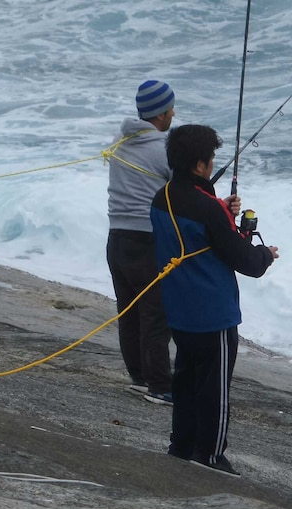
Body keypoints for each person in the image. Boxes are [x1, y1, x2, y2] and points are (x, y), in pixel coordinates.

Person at [150, 124, 279, 477]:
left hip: (178, 308)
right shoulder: (208, 209)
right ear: (199, 166)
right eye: (210, 161)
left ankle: (181, 445)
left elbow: (195, 231)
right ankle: (208, 455)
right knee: (214, 388)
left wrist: (221, 210)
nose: (212, 165)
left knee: (186, 380)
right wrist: (265, 253)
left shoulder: (161, 197)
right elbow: (246, 262)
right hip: (214, 314)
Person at [106, 80, 176, 405]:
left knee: (129, 310)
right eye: (171, 108)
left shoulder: (121, 139)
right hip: (147, 240)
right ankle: (160, 386)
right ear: (162, 113)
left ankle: (139, 377)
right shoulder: (164, 148)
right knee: (155, 314)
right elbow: (188, 186)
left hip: (116, 238)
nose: (174, 113)